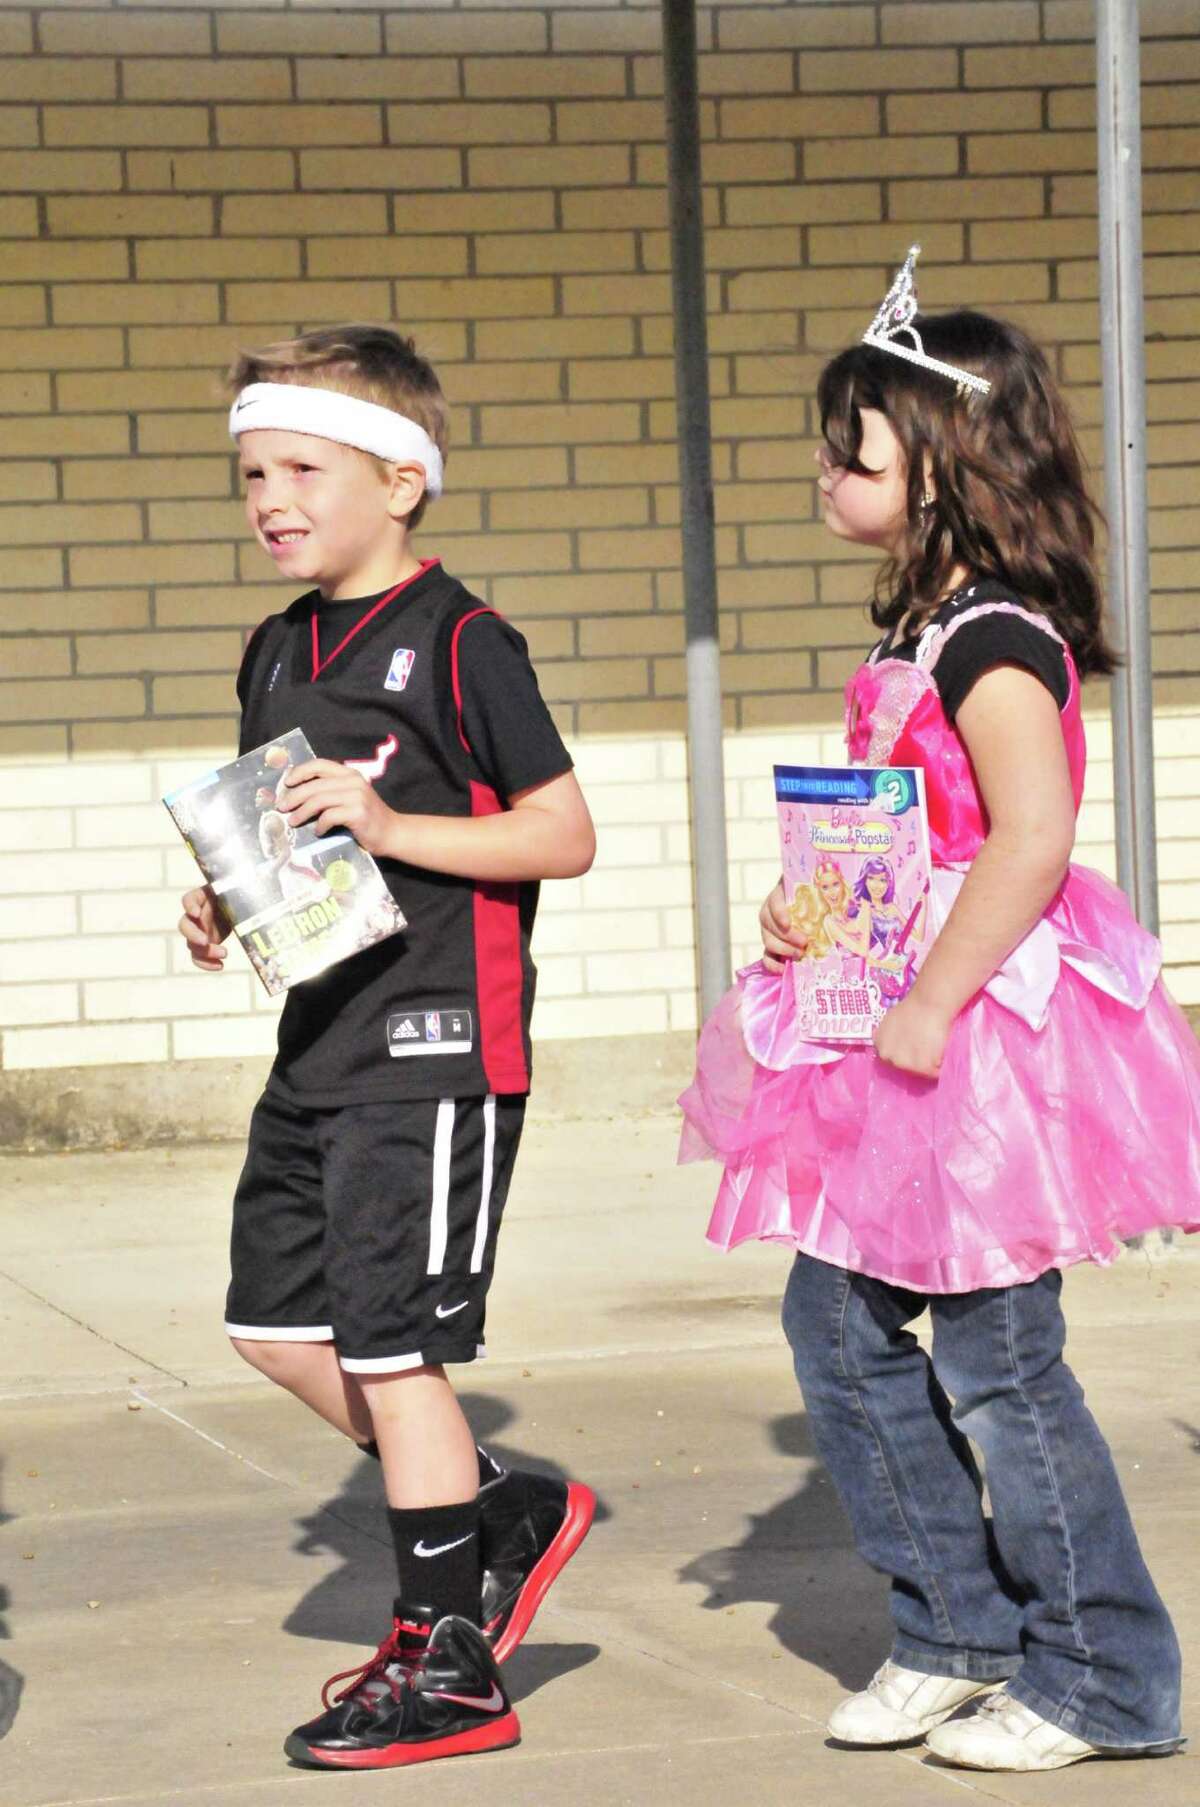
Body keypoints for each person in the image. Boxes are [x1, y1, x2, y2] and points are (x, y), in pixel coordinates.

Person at [680, 249, 1199, 1773]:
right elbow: (896, 831)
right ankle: (956, 1628)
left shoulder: (994, 638)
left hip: (970, 1036)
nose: (825, 476)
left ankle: (1105, 1670)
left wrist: (930, 995)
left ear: (946, 463)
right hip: (885, 1013)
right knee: (835, 1322)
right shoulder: (917, 629)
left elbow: (1029, 835)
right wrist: (807, 917)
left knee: (993, 1349)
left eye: (851, 450)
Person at [178, 325, 597, 1771]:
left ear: (402, 478)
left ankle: (450, 1658)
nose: (269, 499)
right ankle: (497, 1506)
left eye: (299, 467)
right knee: (274, 1329)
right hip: (320, 1040)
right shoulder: (277, 645)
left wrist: (394, 823)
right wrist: (226, 897)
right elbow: (288, 834)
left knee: (392, 1348)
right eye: (250, 475)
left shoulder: (468, 641)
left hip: (435, 1042)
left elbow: (562, 833)